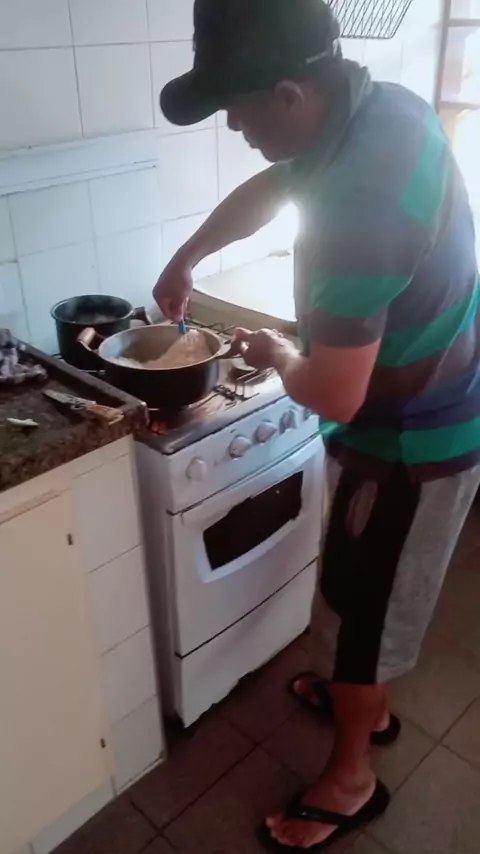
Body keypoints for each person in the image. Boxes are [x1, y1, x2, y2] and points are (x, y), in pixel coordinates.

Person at [153, 0, 480, 850]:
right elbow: (275, 185)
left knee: (363, 613)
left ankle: (351, 777)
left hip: (412, 443)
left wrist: (275, 352)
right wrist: (188, 256)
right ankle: (363, 707)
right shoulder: (375, 110)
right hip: (422, 403)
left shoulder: (360, 206)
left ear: (289, 94)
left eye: (237, 109)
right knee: (366, 592)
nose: (234, 128)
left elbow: (333, 394)